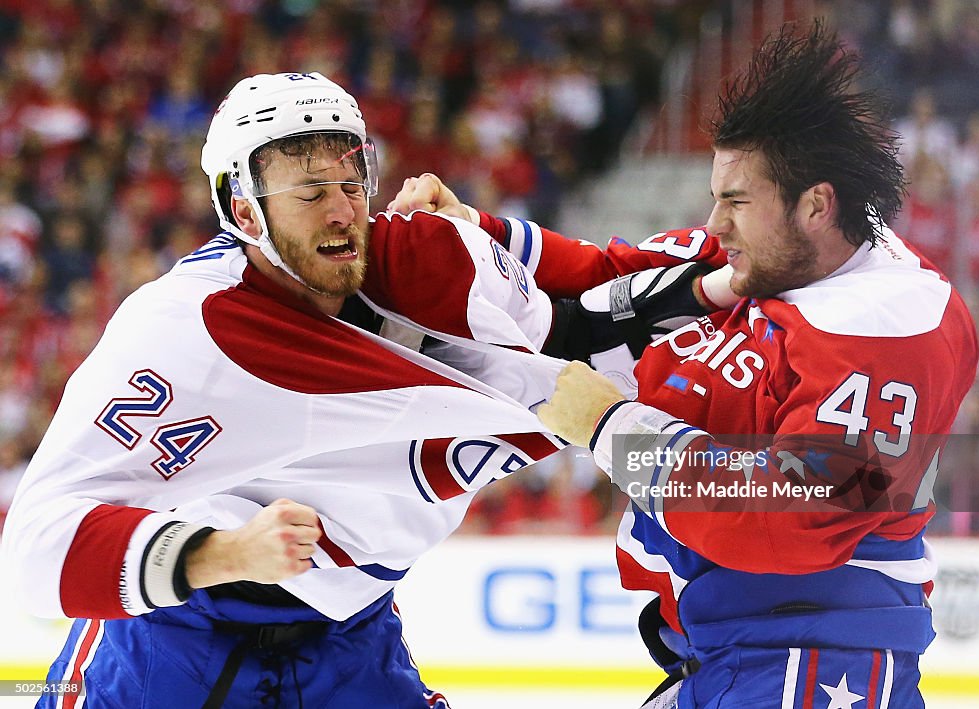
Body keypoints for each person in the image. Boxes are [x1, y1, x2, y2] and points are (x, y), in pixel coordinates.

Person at [389, 21, 978, 709]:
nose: (715, 223)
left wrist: (611, 426)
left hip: (812, 663)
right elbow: (615, 276)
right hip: (725, 653)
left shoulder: (891, 324)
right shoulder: (773, 254)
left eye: (735, 201)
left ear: (816, 204)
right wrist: (475, 231)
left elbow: (787, 514)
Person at [1, 71, 581, 708]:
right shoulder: (185, 331)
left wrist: (484, 230)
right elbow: (34, 552)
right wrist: (220, 555)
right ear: (245, 211)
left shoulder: (439, 277)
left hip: (351, 644)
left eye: (351, 183)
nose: (342, 210)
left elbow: (622, 318)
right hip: (173, 643)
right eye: (309, 192)